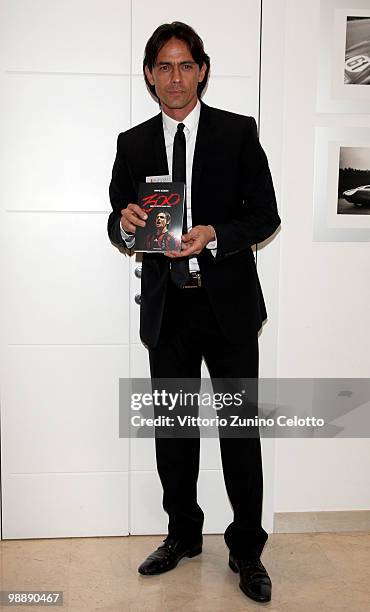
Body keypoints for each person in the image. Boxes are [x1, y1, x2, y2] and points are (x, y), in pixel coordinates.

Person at [108, 21, 280, 604]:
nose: (174, 78)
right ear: (150, 74)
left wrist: (214, 234)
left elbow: (264, 216)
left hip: (227, 310)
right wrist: (125, 225)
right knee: (174, 434)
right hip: (168, 313)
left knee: (239, 432)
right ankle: (183, 533)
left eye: (185, 65)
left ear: (201, 70)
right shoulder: (131, 145)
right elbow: (118, 222)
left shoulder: (237, 133)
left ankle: (247, 548)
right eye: (163, 67)